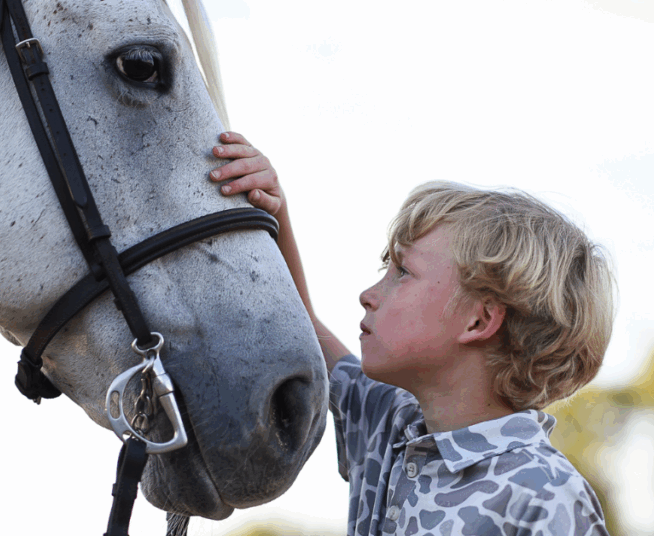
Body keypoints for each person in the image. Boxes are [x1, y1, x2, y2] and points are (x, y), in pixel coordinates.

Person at [209, 132, 616, 536]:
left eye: (403, 272)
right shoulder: (390, 424)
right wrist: (274, 207)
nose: (367, 296)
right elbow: (301, 325)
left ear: (479, 320)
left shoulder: (544, 497)